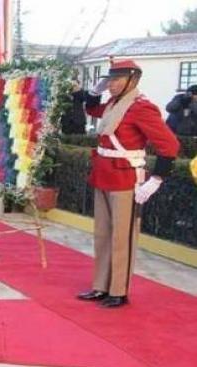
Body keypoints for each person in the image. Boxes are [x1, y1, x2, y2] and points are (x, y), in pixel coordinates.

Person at [76, 60, 180, 308]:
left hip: (124, 178)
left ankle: (119, 290)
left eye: (115, 80)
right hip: (104, 174)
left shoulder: (141, 108)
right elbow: (92, 111)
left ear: (132, 81)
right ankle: (101, 286)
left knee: (122, 236)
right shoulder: (114, 103)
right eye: (109, 80)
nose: (110, 85)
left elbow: (170, 145)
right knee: (102, 234)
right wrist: (94, 92)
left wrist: (156, 179)